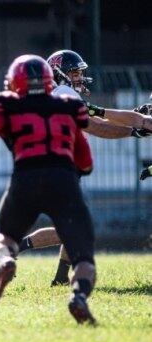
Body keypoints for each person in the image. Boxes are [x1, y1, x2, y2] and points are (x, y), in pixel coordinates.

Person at [0, 54, 97, 324]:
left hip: (25, 179)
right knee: (84, 257)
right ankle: (79, 296)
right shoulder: (69, 104)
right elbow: (85, 162)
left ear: (15, 82)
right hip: (63, 180)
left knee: (4, 238)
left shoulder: (5, 104)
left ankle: (5, 261)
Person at [18, 50, 152, 286]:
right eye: (75, 72)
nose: (80, 77)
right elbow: (95, 125)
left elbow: (99, 119)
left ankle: (59, 278)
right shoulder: (64, 94)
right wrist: (135, 127)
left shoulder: (60, 93)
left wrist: (134, 123)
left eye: (80, 72)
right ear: (60, 73)